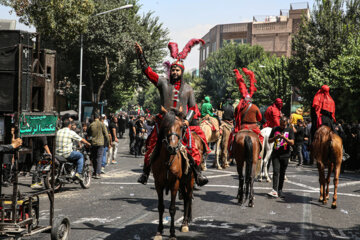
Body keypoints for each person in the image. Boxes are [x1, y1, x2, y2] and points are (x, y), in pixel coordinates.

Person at [135, 39, 208, 186]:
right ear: (171, 71)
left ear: (181, 72)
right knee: (152, 144)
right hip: (163, 122)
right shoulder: (162, 82)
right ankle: (146, 171)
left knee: (192, 147)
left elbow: (193, 108)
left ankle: (197, 172)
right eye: (173, 70)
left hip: (181, 123)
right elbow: (148, 72)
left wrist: (187, 120)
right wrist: (141, 56)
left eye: (178, 70)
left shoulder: (188, 89)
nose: (175, 72)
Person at [228, 68, 263, 154]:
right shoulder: (255, 107)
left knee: (232, 138)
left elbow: (235, 116)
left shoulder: (239, 107)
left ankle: (231, 152)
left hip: (241, 127)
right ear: (250, 99)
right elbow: (259, 118)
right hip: (254, 128)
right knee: (261, 138)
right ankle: (258, 153)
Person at [311, 85, 349, 161]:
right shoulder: (331, 100)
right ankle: (343, 152)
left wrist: (314, 120)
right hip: (329, 121)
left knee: (312, 133)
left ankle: (311, 150)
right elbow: (333, 114)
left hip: (320, 120)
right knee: (336, 135)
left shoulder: (317, 98)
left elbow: (313, 111)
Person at [267, 116, 295, 198]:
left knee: (282, 173)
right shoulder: (275, 129)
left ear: (287, 123)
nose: (282, 126)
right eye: (281, 125)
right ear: (279, 122)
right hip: (275, 154)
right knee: (276, 171)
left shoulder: (289, 130)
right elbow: (269, 140)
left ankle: (280, 190)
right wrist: (276, 137)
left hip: (285, 155)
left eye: (284, 125)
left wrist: (284, 138)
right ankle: (274, 190)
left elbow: (292, 142)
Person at [88, 113, 109, 179]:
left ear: (94, 117)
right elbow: (106, 134)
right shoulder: (102, 124)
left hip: (93, 143)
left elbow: (88, 133)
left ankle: (94, 172)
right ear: (99, 117)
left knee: (94, 158)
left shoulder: (91, 124)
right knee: (99, 158)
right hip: (100, 143)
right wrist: (107, 143)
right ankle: (98, 173)